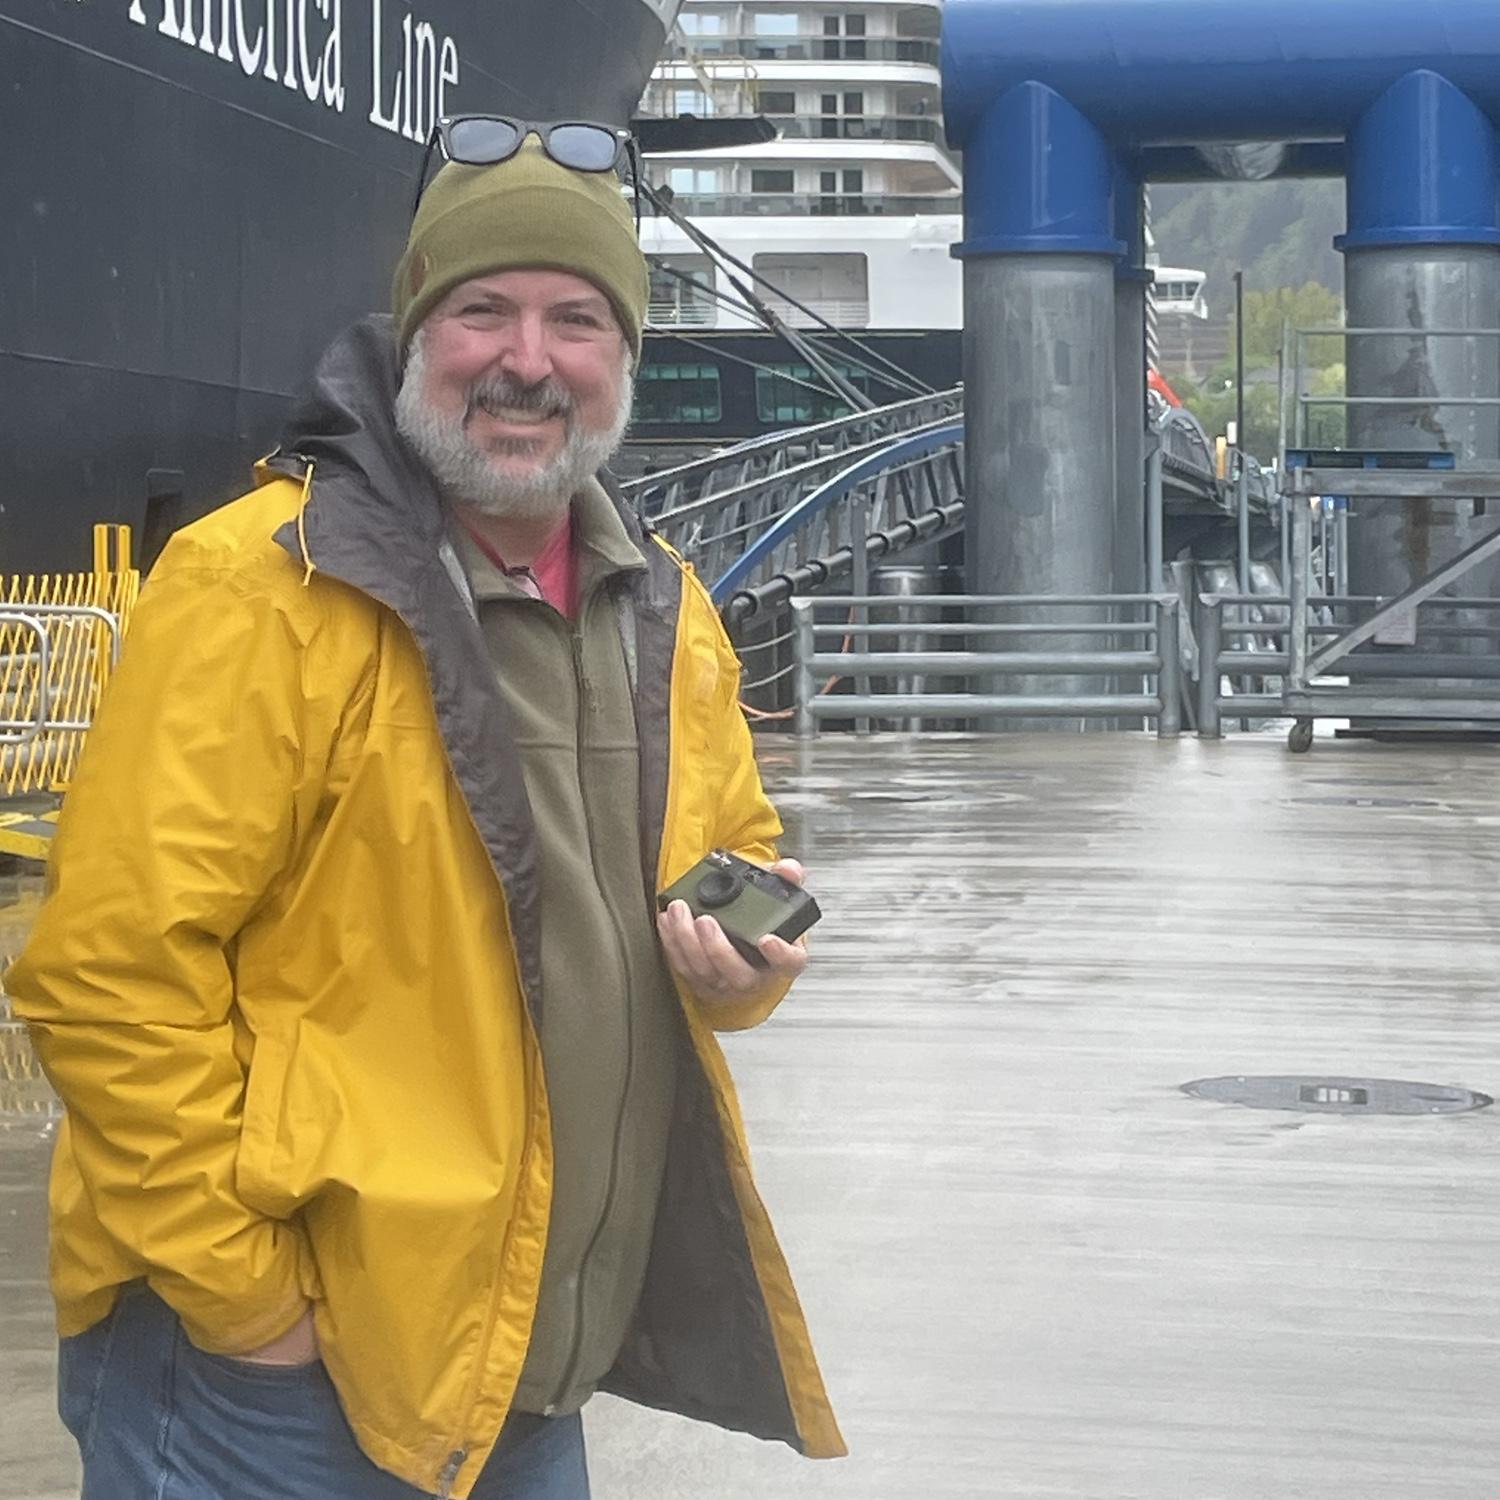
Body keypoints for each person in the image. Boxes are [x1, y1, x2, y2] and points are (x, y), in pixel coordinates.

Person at [9, 127, 844, 1500]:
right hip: (276, 1391)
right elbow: (107, 973)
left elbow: (729, 859)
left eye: (576, 319)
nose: (528, 360)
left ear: (625, 356)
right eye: (482, 310)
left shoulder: (666, 608)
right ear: (413, 336)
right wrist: (251, 1306)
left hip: (524, 1368)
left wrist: (744, 967)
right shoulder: (263, 586)